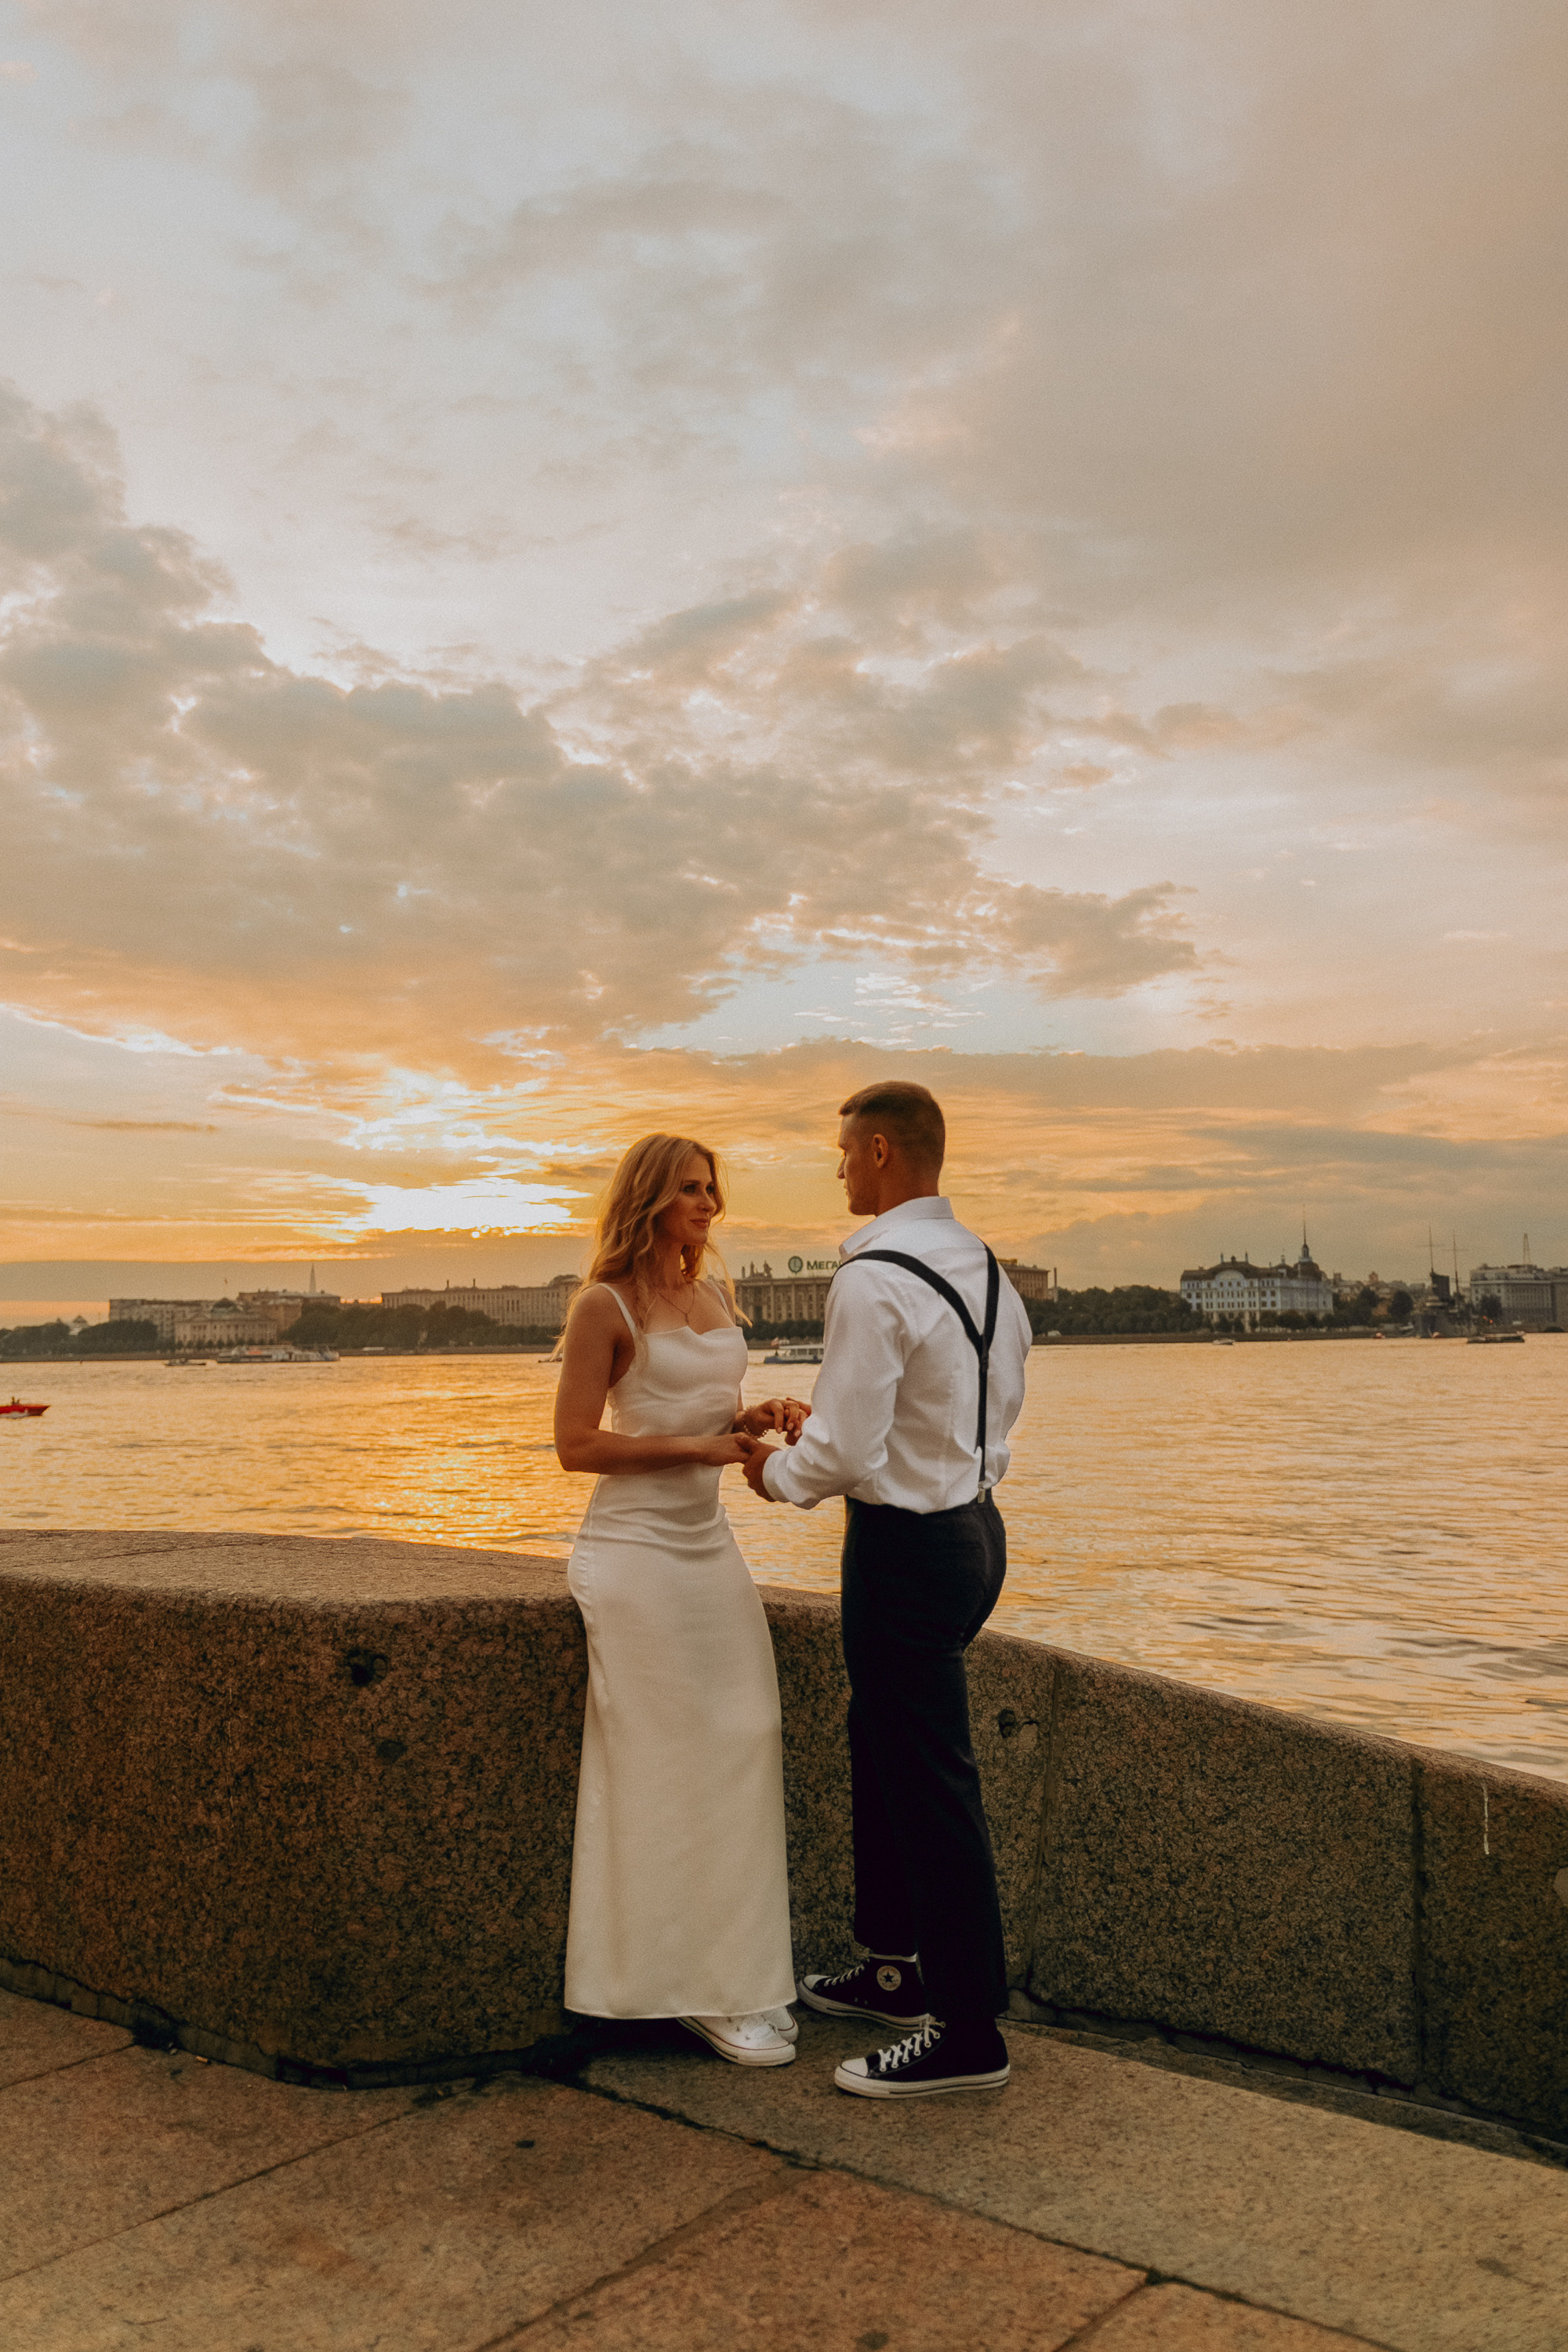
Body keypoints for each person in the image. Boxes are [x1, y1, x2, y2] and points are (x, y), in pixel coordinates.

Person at [742, 1080, 1031, 2099]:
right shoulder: (989, 1271)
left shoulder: (872, 1280)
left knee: (932, 1781)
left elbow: (847, 1449)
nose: (834, 1170)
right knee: (885, 1741)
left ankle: (967, 2031)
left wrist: (772, 1471)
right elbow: (989, 1408)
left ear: (877, 1154)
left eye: (842, 1153)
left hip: (905, 1551)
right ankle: (894, 1966)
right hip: (977, 1532)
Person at [554, 1132, 809, 2067]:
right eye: (690, 1190)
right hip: (632, 1554)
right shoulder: (603, 1303)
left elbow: (699, 1422)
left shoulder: (711, 1296)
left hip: (708, 1549)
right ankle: (681, 1988)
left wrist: (750, 1420)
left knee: (746, 1733)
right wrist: (698, 1450)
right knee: (663, 1759)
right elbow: (576, 1446)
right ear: (648, 1199)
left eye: (712, 1188)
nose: (709, 1204)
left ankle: (738, 1972)